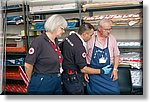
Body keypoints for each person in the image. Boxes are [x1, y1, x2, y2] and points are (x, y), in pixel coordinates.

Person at [59, 23, 112, 95]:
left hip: (65, 75)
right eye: (90, 35)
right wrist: (101, 71)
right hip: (73, 78)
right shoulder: (79, 47)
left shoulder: (70, 37)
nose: (91, 37)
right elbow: (83, 69)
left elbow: (60, 48)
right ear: (84, 34)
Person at [24, 14, 67, 95]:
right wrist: (31, 80)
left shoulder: (55, 42)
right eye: (62, 28)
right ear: (55, 26)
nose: (63, 31)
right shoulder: (38, 42)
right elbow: (28, 65)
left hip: (56, 79)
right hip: (43, 81)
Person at [85, 19, 120, 95]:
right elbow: (84, 55)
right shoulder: (90, 37)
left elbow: (116, 55)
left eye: (110, 29)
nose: (108, 31)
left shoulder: (112, 38)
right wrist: (85, 71)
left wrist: (115, 69)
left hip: (108, 73)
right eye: (106, 29)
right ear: (99, 28)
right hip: (93, 72)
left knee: (115, 92)